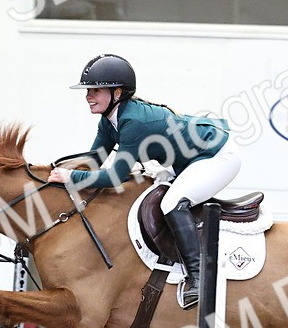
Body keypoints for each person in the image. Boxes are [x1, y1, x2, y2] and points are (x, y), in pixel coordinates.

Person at [48, 54, 240, 309]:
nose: (88, 96)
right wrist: (52, 172)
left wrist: (71, 176)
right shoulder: (110, 120)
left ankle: (199, 277)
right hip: (188, 160)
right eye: (87, 90)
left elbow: (115, 176)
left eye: (95, 90)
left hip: (217, 155)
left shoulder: (133, 122)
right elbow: (94, 160)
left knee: (171, 203)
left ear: (117, 93)